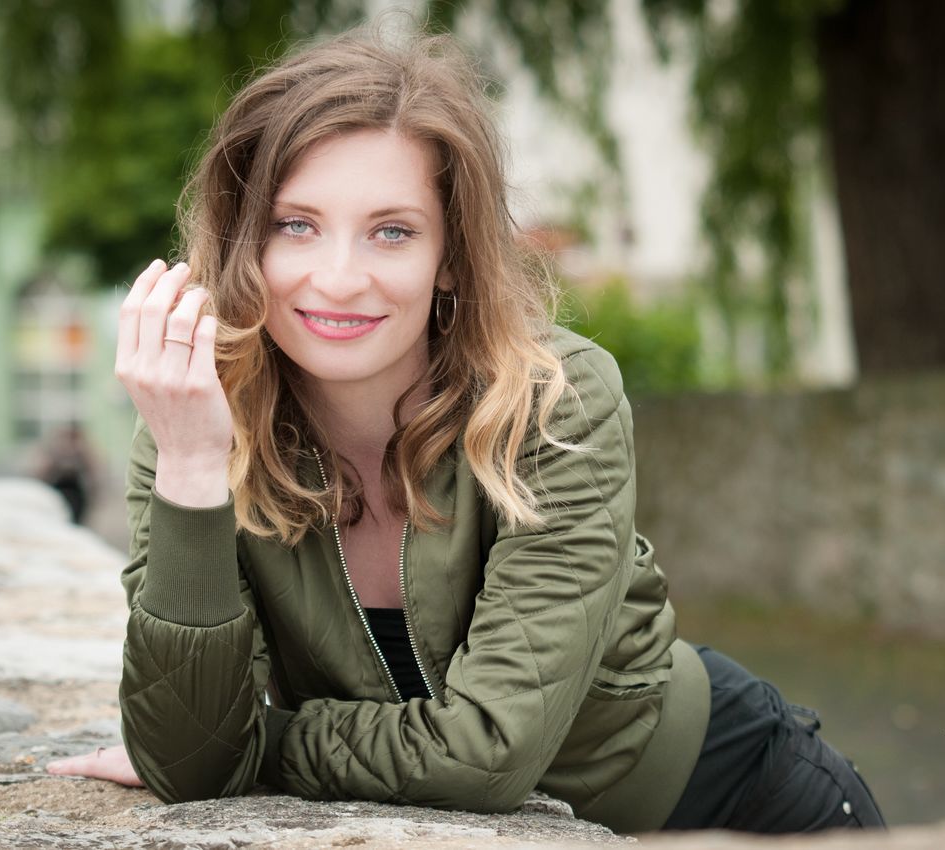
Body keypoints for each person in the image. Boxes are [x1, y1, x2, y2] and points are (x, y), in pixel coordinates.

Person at [45, 21, 886, 835]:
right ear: (243, 241)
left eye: (392, 232)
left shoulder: (556, 400)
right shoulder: (195, 425)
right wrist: (194, 465)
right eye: (294, 225)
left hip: (739, 801)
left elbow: (487, 754)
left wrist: (257, 746)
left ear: (450, 255)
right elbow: (191, 770)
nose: (338, 279)